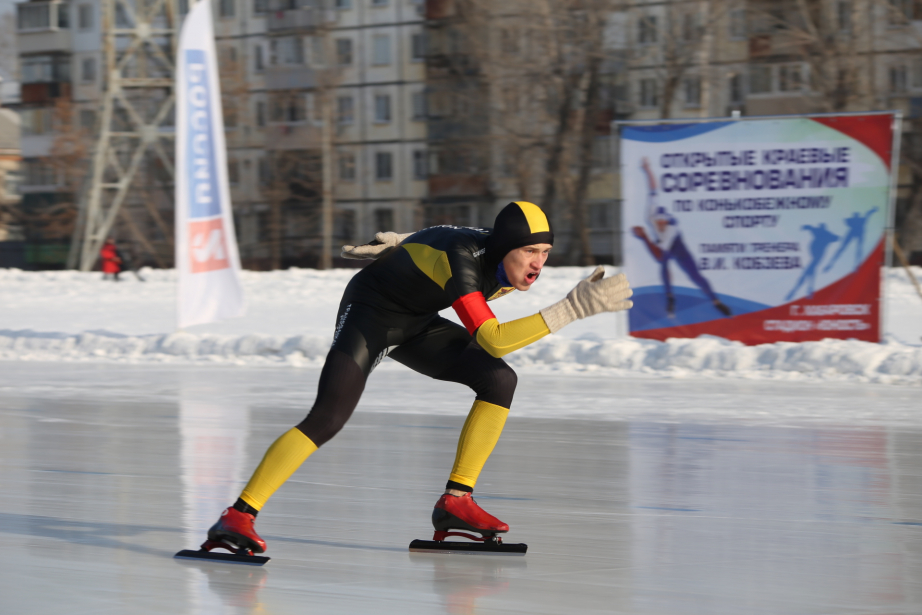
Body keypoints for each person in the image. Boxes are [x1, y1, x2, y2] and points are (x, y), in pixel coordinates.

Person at [203, 201, 633, 555]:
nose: (538, 264)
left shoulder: (499, 254)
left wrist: (405, 243)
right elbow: (494, 338)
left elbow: (447, 229)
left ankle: (456, 503)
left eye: (545, 253)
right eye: (530, 252)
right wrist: (570, 310)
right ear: (505, 247)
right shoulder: (465, 263)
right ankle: (238, 515)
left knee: (499, 381)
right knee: (328, 417)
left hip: (417, 322)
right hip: (370, 315)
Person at [631, 157, 731, 318]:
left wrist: (644, 237)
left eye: (664, 222)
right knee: (664, 264)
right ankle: (670, 298)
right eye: (660, 222)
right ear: (656, 219)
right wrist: (648, 169)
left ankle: (716, 301)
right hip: (664, 243)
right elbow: (653, 188)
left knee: (694, 275)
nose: (662, 224)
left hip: (677, 244)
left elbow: (657, 255)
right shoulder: (652, 212)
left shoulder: (670, 229)